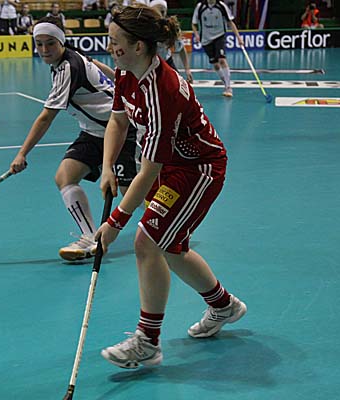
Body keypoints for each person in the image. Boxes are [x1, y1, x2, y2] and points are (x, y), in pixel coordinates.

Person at [95, 5, 246, 369]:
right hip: (171, 167)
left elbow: (149, 170)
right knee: (170, 246)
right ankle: (223, 305)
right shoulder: (126, 71)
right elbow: (117, 122)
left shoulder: (163, 90)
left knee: (147, 241)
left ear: (139, 46)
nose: (109, 47)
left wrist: (114, 223)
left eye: (115, 42)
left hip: (198, 169)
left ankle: (147, 342)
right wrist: (107, 168)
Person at [9, 16, 138, 262]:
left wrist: (22, 154)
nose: (44, 49)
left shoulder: (68, 68)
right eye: (39, 44)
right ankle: (91, 238)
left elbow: (46, 118)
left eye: (50, 43)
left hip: (119, 129)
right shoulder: (70, 57)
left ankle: (169, 220)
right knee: (64, 177)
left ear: (61, 41)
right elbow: (96, 64)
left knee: (129, 190)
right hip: (93, 131)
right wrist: (118, 80)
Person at [192, 0, 243, 97]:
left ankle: (228, 87)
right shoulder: (200, 7)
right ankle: (225, 82)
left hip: (219, 36)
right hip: (206, 39)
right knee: (215, 65)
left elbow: (230, 22)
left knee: (222, 60)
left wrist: (239, 37)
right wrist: (196, 34)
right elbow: (194, 23)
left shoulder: (221, 6)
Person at [150, 0, 193, 83]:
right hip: (149, 66)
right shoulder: (144, 28)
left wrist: (187, 70)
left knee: (180, 85)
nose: (161, 15)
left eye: (163, 11)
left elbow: (181, 49)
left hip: (167, 62)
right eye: (158, 11)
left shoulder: (170, 28)